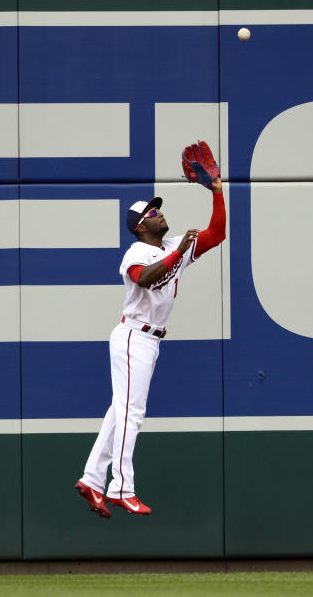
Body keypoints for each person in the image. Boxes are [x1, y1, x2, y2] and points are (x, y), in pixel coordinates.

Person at [74, 171, 226, 518]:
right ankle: (121, 488)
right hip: (132, 336)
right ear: (141, 226)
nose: (159, 213)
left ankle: (92, 479)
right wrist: (179, 253)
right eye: (152, 213)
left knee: (119, 412)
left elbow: (217, 233)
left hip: (149, 340)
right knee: (132, 413)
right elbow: (144, 277)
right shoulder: (136, 252)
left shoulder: (174, 246)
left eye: (158, 209)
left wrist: (217, 191)